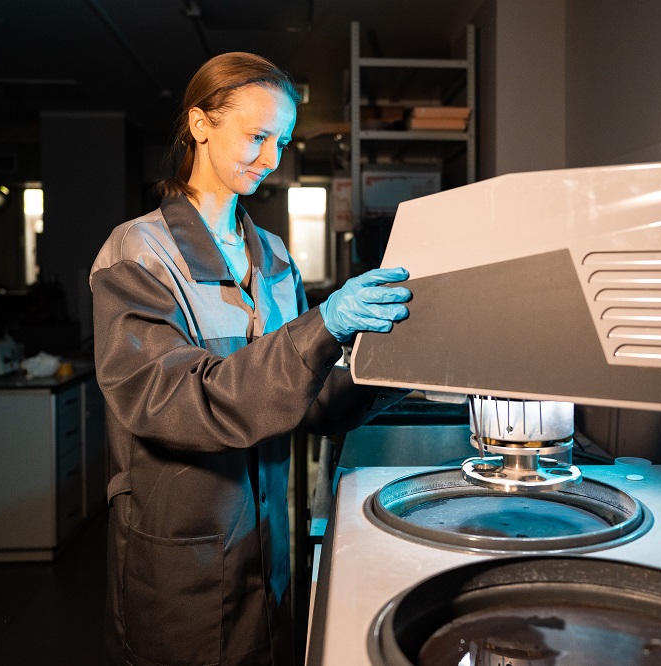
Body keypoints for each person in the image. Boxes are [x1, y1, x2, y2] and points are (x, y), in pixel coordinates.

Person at [90, 52, 412, 666]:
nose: (271, 159)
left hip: (269, 554)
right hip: (184, 564)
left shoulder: (273, 256)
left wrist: (400, 361)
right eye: (257, 136)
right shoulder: (137, 253)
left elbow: (309, 400)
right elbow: (177, 404)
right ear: (200, 124)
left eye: (281, 142)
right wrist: (323, 325)